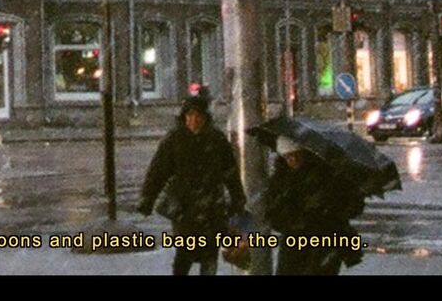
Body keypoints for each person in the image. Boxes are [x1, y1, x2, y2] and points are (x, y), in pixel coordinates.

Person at [137, 95, 246, 275]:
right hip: (184, 208)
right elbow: (157, 172)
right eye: (190, 115)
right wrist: (147, 199)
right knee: (184, 252)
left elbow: (230, 173)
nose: (194, 120)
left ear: (205, 117)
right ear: (184, 117)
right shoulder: (174, 140)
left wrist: (238, 198)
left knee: (210, 253)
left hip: (212, 207)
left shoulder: (217, 140)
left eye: (198, 116)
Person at [263, 136, 365, 275]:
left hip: (326, 241)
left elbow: (351, 205)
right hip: (295, 242)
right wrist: (295, 220)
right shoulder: (281, 179)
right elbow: (273, 213)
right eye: (288, 156)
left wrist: (325, 208)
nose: (293, 160)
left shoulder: (327, 173)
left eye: (296, 154)